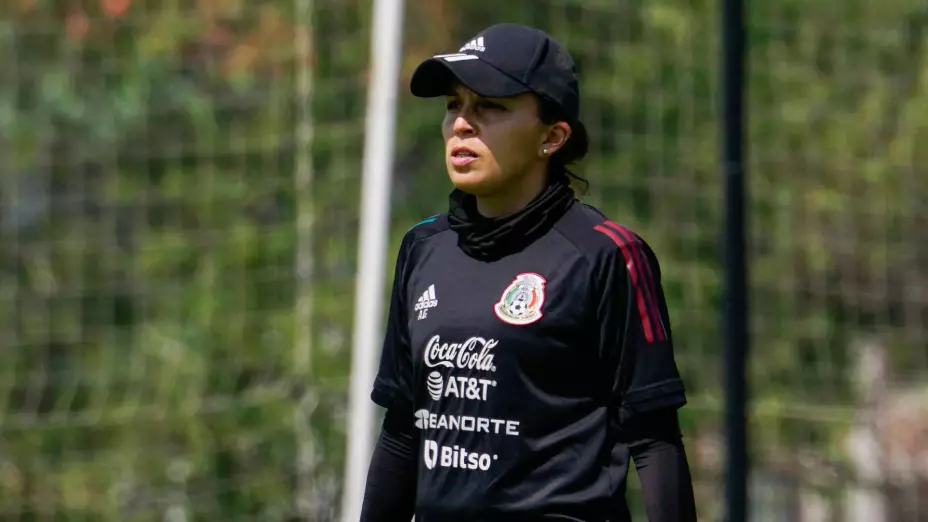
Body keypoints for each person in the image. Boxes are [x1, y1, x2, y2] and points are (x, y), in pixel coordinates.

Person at [360, 22, 697, 522]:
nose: (462, 125)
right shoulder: (423, 247)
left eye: (490, 107)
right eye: (454, 105)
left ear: (553, 136)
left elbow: (654, 438)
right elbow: (404, 427)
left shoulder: (607, 255)